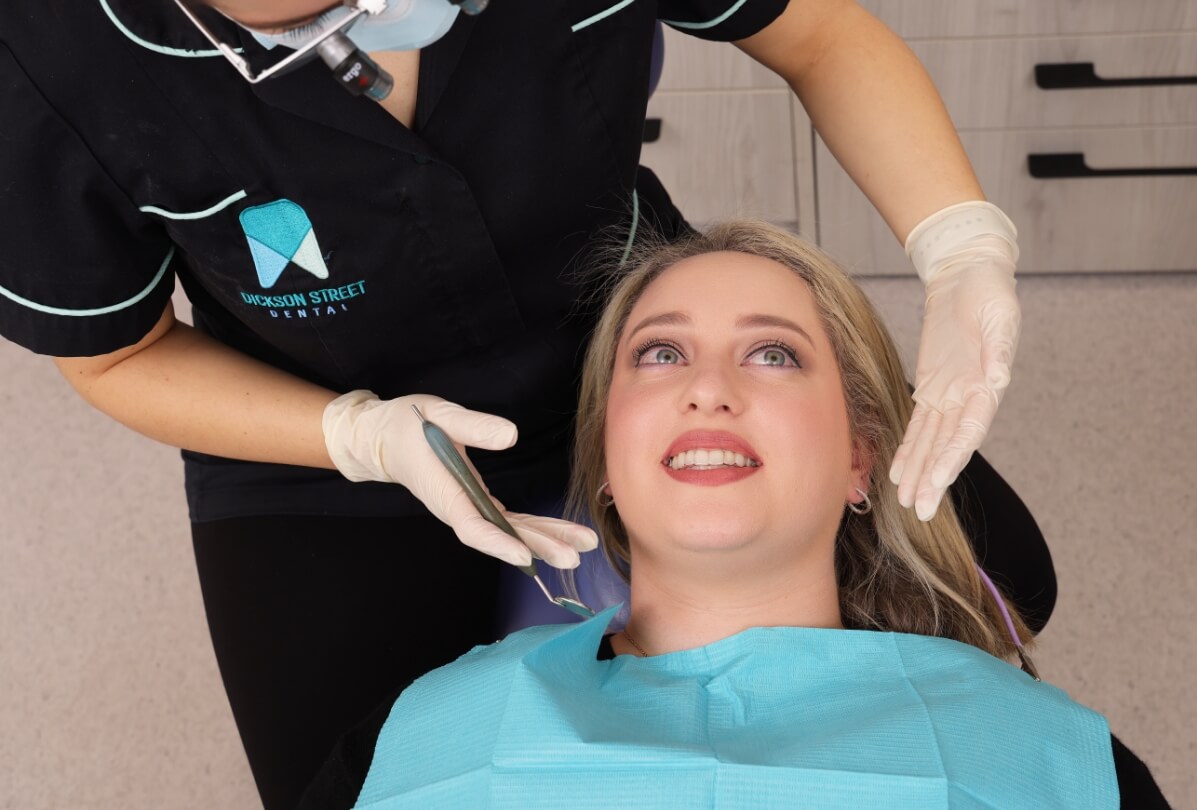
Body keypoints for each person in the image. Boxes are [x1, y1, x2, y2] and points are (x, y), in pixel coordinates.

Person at [0, 2, 1038, 807]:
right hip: (311, 427)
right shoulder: (48, 56)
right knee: (350, 782)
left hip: (630, 339)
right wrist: (354, 434)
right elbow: (114, 357)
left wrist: (960, 246)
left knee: (1003, 573)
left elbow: (820, 34)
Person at [299, 221, 1169, 809]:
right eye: (661, 353)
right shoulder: (416, 737)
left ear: (859, 455)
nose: (708, 389)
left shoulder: (1035, 755)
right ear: (604, 456)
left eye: (773, 354)